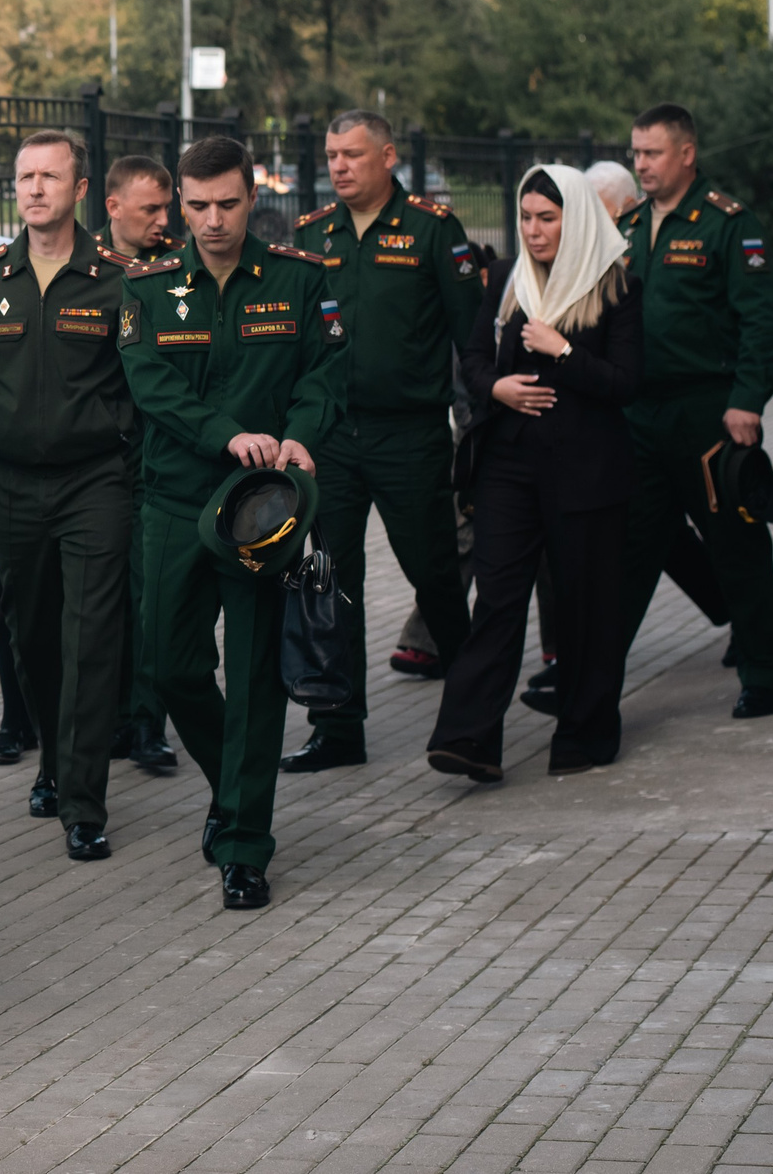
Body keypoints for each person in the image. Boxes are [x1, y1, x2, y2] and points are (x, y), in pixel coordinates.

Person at [120, 135, 346, 909]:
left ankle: (246, 841)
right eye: (197, 204)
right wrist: (225, 432)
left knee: (253, 679)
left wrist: (300, 435)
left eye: (227, 203)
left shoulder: (299, 280)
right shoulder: (147, 291)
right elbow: (150, 385)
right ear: (179, 203)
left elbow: (325, 373)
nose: (212, 219)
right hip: (178, 504)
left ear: (253, 198)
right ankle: (233, 783)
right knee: (168, 662)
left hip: (263, 512)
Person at [0, 131, 144, 861]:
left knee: (92, 636)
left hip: (97, 481)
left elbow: (144, 389)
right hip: (12, 485)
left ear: (80, 188)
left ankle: (84, 803)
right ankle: (55, 764)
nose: (34, 188)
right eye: (24, 176)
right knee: (33, 633)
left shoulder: (120, 277)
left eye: (49, 176)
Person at [429, 166, 642, 780]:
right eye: (526, 217)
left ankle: (585, 733)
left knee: (584, 605)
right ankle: (468, 738)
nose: (534, 230)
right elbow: (470, 358)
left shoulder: (617, 285)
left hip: (588, 471)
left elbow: (627, 384)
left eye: (547, 218)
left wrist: (566, 353)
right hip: (509, 466)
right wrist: (496, 386)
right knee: (497, 599)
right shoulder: (504, 279)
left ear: (574, 219)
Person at [291, 110, 480, 773]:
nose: (338, 165)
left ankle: (472, 717)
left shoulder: (433, 228)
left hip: (410, 435)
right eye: (332, 155)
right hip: (334, 438)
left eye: (352, 154)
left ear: (388, 156)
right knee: (331, 580)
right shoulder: (313, 235)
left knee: (433, 574)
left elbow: (471, 338)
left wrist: (477, 431)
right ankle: (338, 727)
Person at [614, 103, 773, 718]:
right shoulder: (630, 225)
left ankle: (765, 671)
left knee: (735, 543)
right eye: (636, 153)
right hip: (639, 415)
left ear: (686, 153)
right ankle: (595, 684)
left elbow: (764, 324)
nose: (641, 165)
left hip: (707, 414)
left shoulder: (726, 224)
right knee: (631, 549)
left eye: (652, 153)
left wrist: (747, 400)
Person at [96, 154, 182, 774]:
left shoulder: (181, 266)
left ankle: (148, 721)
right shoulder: (89, 269)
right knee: (105, 601)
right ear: (113, 207)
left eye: (166, 207)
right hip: (102, 459)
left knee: (153, 598)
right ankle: (109, 720)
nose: (164, 218)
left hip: (164, 456)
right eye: (150, 207)